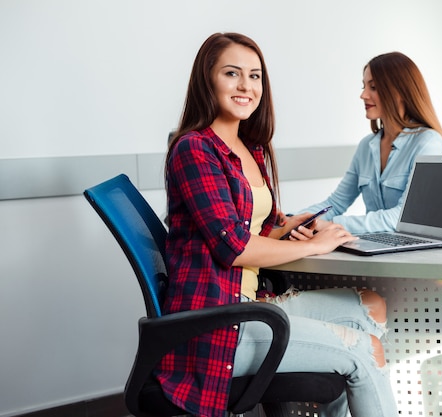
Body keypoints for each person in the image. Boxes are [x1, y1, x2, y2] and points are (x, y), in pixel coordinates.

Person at [155, 32, 399, 417]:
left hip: (254, 303)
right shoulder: (194, 148)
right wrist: (311, 246)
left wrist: (291, 228)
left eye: (255, 76)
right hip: (223, 322)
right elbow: (233, 247)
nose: (245, 86)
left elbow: (254, 230)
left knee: (370, 307)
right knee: (365, 349)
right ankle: (347, 364)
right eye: (232, 73)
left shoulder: (249, 149)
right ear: (208, 80)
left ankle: (339, 367)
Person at [300, 52, 442, 234]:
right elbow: (336, 203)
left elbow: (405, 216)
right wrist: (297, 219)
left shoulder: (428, 142)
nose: (363, 95)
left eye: (374, 87)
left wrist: (333, 226)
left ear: (400, 92)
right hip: (380, 247)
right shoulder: (366, 146)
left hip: (427, 252)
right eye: (364, 86)